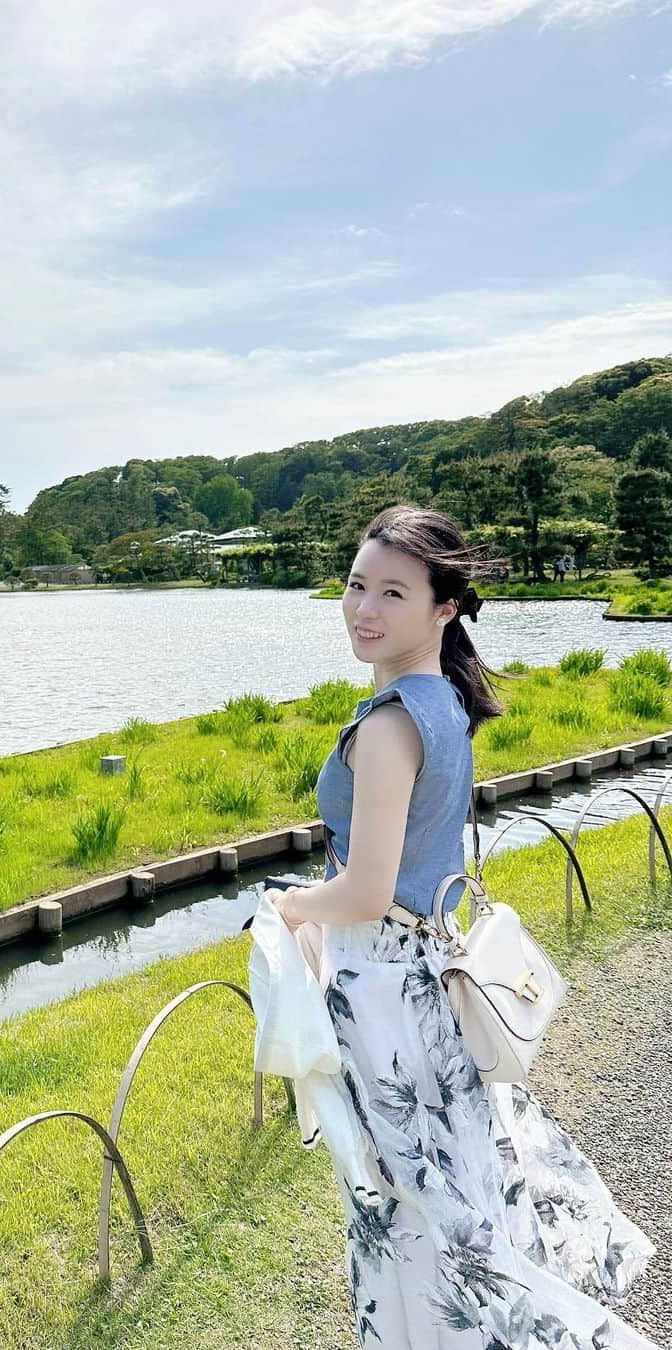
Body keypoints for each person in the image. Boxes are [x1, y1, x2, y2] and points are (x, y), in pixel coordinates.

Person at [267, 504, 657, 1348]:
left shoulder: (389, 726)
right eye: (355, 585)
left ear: (444, 607)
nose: (363, 609)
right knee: (454, 1177)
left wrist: (293, 905)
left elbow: (366, 892)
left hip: (379, 987)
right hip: (428, 976)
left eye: (393, 593)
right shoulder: (442, 700)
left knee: (407, 1198)